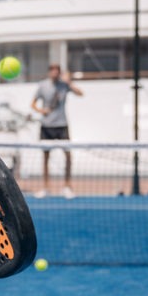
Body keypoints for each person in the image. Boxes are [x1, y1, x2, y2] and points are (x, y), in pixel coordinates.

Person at [30, 63, 83, 199]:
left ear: (59, 73)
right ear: (49, 72)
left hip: (62, 125)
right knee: (45, 157)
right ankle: (46, 188)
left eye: (56, 71)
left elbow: (81, 94)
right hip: (46, 126)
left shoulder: (64, 85)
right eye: (52, 70)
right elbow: (33, 104)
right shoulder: (42, 86)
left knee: (68, 156)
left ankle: (67, 187)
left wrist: (69, 83)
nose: (54, 73)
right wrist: (42, 111)